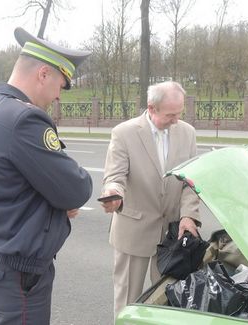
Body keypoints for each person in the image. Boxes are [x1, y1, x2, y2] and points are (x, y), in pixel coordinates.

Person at [0, 27, 93, 325]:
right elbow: (76, 189)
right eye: (61, 85)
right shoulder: (25, 118)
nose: (58, 97)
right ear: (43, 74)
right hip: (19, 273)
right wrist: (62, 200)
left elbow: (18, 184)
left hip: (0, 263)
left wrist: (56, 202)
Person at [100, 81, 201, 318]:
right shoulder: (124, 133)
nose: (176, 120)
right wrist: (114, 193)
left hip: (172, 235)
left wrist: (189, 216)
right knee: (127, 301)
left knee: (169, 301)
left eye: (179, 113)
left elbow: (190, 180)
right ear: (151, 108)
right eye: (170, 114)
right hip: (133, 229)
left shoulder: (187, 133)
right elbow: (115, 176)